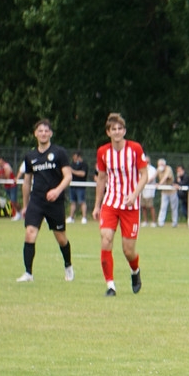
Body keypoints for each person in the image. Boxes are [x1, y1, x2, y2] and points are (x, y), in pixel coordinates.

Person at [93, 112, 148, 296]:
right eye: (113, 129)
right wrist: (97, 205)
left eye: (120, 128)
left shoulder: (135, 149)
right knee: (106, 239)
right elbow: (101, 178)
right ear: (108, 132)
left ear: (124, 131)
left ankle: (135, 271)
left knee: (128, 250)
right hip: (110, 203)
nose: (117, 132)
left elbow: (144, 175)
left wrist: (134, 194)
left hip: (130, 206)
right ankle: (110, 285)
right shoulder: (103, 152)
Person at [16, 119, 74, 283]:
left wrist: (57, 191)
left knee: (61, 238)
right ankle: (28, 273)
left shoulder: (59, 153)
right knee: (30, 233)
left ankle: (68, 266)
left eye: (46, 131)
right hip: (36, 201)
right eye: (40, 131)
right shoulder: (30, 156)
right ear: (35, 134)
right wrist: (25, 205)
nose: (43, 133)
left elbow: (68, 176)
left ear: (50, 134)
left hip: (55, 202)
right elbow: (27, 182)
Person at [67, 152, 90, 224]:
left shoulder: (84, 164)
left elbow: (82, 174)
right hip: (72, 185)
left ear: (79, 157)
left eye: (76, 157)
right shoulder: (72, 164)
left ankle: (84, 218)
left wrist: (73, 171)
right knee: (72, 202)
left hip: (81, 186)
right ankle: (71, 217)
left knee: (82, 202)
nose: (74, 159)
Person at [155, 158, 178, 227]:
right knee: (163, 207)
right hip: (164, 192)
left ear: (164, 164)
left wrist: (159, 184)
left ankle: (174, 223)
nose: (159, 166)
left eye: (161, 165)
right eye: (158, 165)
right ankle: (160, 223)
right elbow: (154, 175)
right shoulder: (158, 169)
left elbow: (165, 177)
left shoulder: (168, 169)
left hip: (172, 191)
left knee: (174, 208)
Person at [140, 162, 157, 227]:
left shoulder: (152, 169)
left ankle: (154, 222)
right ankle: (145, 221)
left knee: (151, 206)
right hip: (142, 190)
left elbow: (151, 178)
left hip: (149, 191)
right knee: (143, 206)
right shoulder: (141, 168)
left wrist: (143, 182)